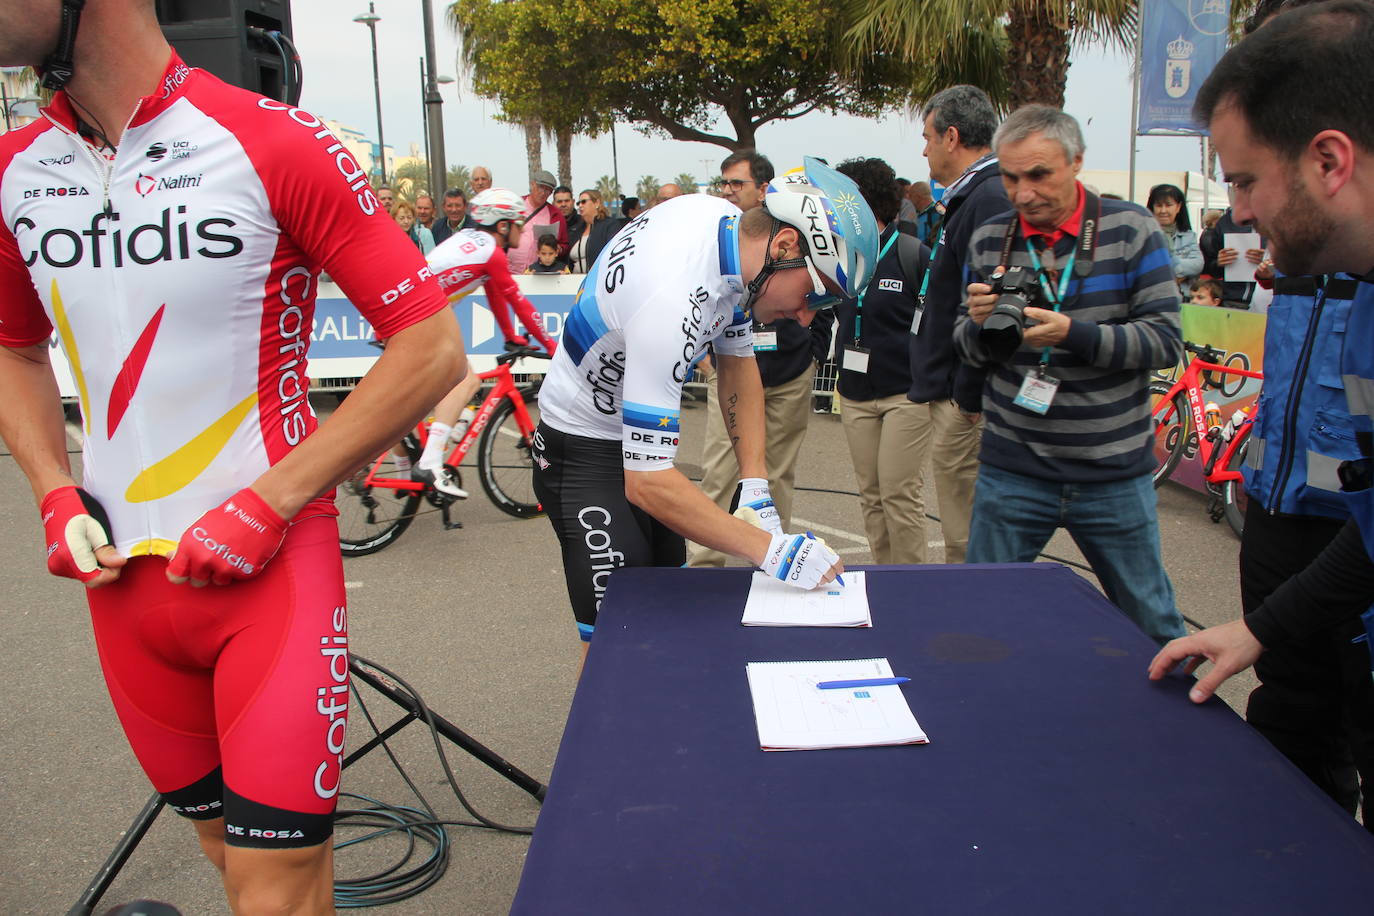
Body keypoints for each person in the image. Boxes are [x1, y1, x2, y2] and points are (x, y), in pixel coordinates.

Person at [0, 3, 467, 913]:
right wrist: (53, 489)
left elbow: (432, 349)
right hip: (123, 591)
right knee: (231, 860)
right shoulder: (13, 170)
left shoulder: (275, 140)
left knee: (276, 881)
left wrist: (270, 501)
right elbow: (15, 350)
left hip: (270, 580)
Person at [533, 158, 876, 652]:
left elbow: (738, 366)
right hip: (582, 449)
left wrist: (755, 484)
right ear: (785, 246)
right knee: (616, 640)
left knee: (670, 612)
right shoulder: (671, 298)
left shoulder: (727, 241)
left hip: (629, 438)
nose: (805, 319)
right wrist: (770, 550)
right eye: (813, 296)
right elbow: (648, 482)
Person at [1148, 0, 1374, 705]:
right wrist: (1262, 630)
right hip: (1289, 518)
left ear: (1329, 159)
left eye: (1245, 181)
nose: (1237, 214)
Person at [954, 104, 1187, 645]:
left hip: (1111, 473)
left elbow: (1163, 341)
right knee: (977, 616)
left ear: (1077, 161)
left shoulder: (1131, 229)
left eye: (1039, 174)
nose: (1023, 192)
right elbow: (964, 345)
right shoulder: (993, 237)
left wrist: (1071, 333)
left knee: (1151, 622)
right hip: (1013, 470)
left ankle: (1174, 726)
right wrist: (982, 328)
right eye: (1010, 177)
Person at [689, 149, 835, 568]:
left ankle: (774, 563)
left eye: (739, 183)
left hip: (788, 373)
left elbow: (825, 298)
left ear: (764, 189)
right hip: (730, 376)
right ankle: (704, 568)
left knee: (775, 478)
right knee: (718, 474)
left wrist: (813, 354)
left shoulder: (794, 238)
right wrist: (704, 360)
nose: (730, 191)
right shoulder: (719, 243)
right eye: (726, 184)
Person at [908, 83, 1006, 564]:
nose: (923, 149)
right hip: (952, 389)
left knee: (966, 536)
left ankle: (971, 626)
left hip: (964, 399)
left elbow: (992, 304)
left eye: (927, 136)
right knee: (959, 529)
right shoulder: (971, 197)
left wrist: (968, 393)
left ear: (951, 136)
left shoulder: (989, 196)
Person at [412, 188, 560, 497]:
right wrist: (552, 347)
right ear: (503, 226)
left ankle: (408, 474)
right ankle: (430, 462)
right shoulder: (491, 251)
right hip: (422, 318)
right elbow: (518, 301)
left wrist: (511, 336)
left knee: (409, 406)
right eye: (519, 223)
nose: (524, 231)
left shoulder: (475, 241)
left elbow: (495, 294)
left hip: (411, 314)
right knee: (465, 382)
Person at [832, 157, 932, 564]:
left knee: (897, 492)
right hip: (855, 395)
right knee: (871, 495)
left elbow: (931, 324)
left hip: (904, 396)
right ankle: (885, 575)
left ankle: (912, 585)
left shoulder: (912, 254)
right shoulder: (838, 255)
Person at [1146, 183, 1203, 296]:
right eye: (1158, 205)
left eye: (1168, 205)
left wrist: (1165, 269)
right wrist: (1179, 274)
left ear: (1178, 207)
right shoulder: (1144, 234)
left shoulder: (1189, 236)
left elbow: (1197, 264)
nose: (1163, 210)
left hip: (1182, 297)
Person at [508, 169, 568, 274]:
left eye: (548, 190)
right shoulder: (515, 206)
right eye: (541, 187)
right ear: (532, 184)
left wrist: (558, 248)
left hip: (537, 274)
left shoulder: (555, 215)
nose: (543, 193)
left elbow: (564, 244)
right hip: (509, 271)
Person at [568, 189, 622, 274]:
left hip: (598, 279)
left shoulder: (610, 225)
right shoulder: (576, 229)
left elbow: (613, 252)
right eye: (578, 203)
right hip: (575, 281)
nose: (580, 206)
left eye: (584, 202)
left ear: (596, 203)